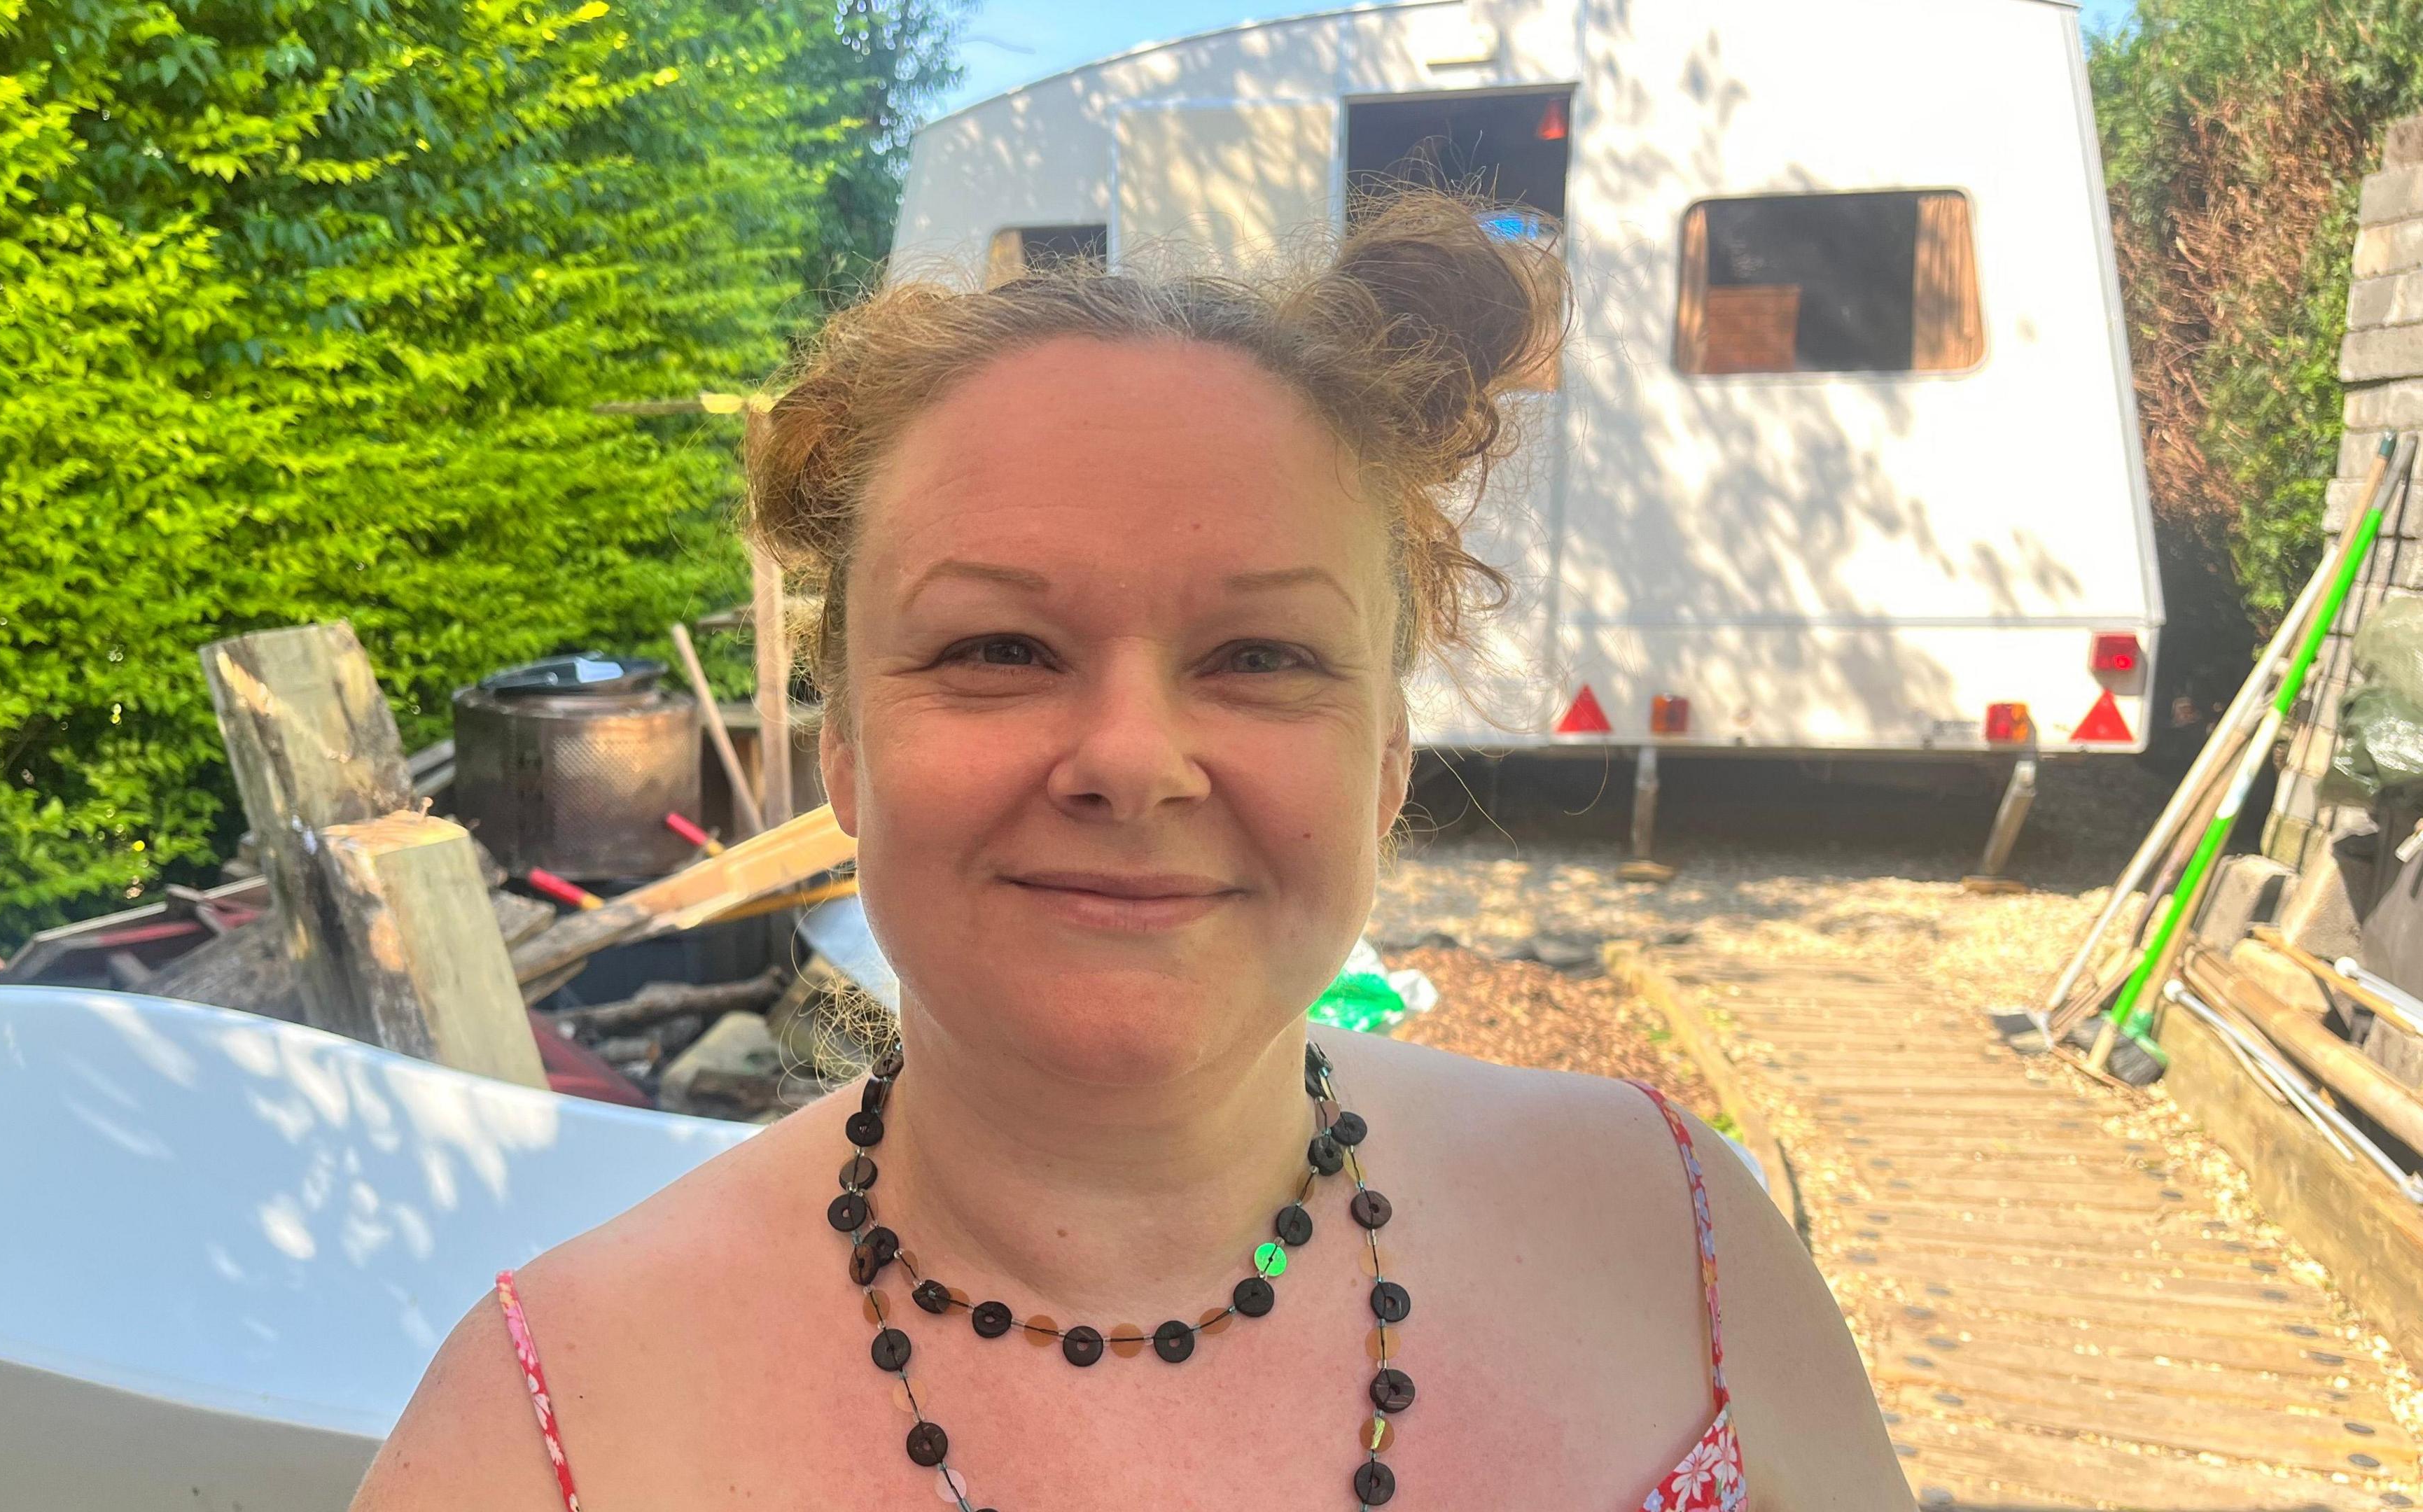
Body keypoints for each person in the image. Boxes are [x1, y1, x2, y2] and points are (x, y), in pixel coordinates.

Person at [351, 192, 1910, 1512]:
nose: (1129, 761)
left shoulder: (1678, 1245)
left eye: (1263, 657)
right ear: (841, 752)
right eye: (1000, 649)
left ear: (1382, 759)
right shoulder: (549, 1435)